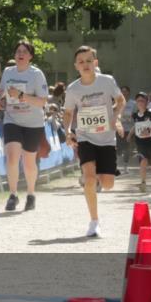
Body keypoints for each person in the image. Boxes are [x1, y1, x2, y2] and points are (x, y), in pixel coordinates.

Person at [62, 46, 125, 238]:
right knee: (89, 179)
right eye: (81, 62)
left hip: (106, 138)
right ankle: (94, 221)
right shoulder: (73, 89)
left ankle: (96, 175)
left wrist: (115, 117)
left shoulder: (107, 82)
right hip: (85, 137)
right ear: (76, 66)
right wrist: (67, 131)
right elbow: (67, 113)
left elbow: (120, 101)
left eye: (89, 61)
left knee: (107, 184)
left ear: (95, 63)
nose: (85, 64)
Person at [0, 40, 49, 212]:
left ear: (30, 56)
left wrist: (21, 95)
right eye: (18, 51)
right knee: (11, 157)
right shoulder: (8, 72)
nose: (20, 54)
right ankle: (13, 195)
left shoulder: (36, 74)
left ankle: (31, 194)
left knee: (29, 162)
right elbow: (1, 90)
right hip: (12, 119)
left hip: (33, 123)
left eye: (24, 51)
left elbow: (42, 101)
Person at [128, 92, 151, 192]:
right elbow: (136, 126)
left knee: (150, 165)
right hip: (140, 143)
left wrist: (149, 130)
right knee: (143, 162)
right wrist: (130, 134)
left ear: (147, 102)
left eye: (142, 100)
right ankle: (143, 183)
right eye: (138, 100)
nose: (140, 102)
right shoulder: (135, 115)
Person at [118, 85, 137, 173]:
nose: (124, 93)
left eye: (125, 91)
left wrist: (131, 118)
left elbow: (136, 115)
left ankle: (125, 166)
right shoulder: (117, 102)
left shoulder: (133, 103)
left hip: (130, 129)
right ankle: (116, 166)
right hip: (119, 128)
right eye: (122, 91)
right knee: (118, 148)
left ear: (128, 93)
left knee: (128, 148)